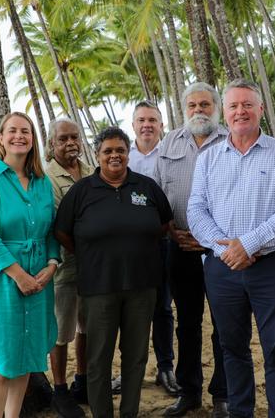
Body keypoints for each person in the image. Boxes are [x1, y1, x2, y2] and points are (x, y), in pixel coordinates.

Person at [187, 79, 275, 418]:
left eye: (247, 105)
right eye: (233, 106)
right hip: (222, 269)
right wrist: (226, 249)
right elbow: (197, 209)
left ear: (261, 109)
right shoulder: (209, 159)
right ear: (224, 112)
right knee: (231, 349)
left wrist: (248, 244)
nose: (240, 111)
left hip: (269, 267)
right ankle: (242, 412)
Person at [55, 126, 173, 418]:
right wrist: (91, 254)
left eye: (120, 150)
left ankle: (129, 413)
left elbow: (164, 225)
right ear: (97, 155)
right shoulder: (82, 191)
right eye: (108, 151)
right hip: (98, 289)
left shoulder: (146, 187)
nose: (114, 155)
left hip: (142, 287)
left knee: (135, 358)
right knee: (98, 359)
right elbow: (62, 233)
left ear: (128, 153)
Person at [0, 112, 59, 418]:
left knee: (26, 358)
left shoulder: (42, 183)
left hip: (39, 277)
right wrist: (18, 275)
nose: (20, 136)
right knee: (1, 362)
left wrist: (53, 263)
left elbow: (51, 230)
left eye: (26, 131)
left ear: (33, 140)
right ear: (1, 138)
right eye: (13, 131)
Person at [155, 84, 228, 417]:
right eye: (192, 104)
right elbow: (158, 193)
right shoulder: (169, 142)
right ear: (184, 109)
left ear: (216, 107)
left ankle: (223, 395)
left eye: (205, 103)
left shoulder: (231, 140)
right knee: (187, 323)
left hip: (222, 251)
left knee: (224, 323)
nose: (199, 109)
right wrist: (169, 227)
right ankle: (189, 391)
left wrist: (210, 239)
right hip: (179, 247)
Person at [123, 101, 179, 397]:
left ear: (161, 125)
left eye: (153, 120)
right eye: (141, 120)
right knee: (129, 308)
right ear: (133, 125)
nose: (147, 125)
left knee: (162, 307)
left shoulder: (170, 154)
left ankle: (165, 367)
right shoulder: (122, 155)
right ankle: (129, 369)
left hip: (163, 241)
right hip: (128, 246)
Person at [45, 118, 93, 418]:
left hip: (93, 264)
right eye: (63, 139)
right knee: (62, 331)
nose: (71, 143)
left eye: (75, 137)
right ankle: (60, 390)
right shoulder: (48, 177)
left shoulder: (91, 170)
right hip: (65, 263)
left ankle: (83, 381)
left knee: (87, 326)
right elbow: (60, 222)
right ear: (52, 144)